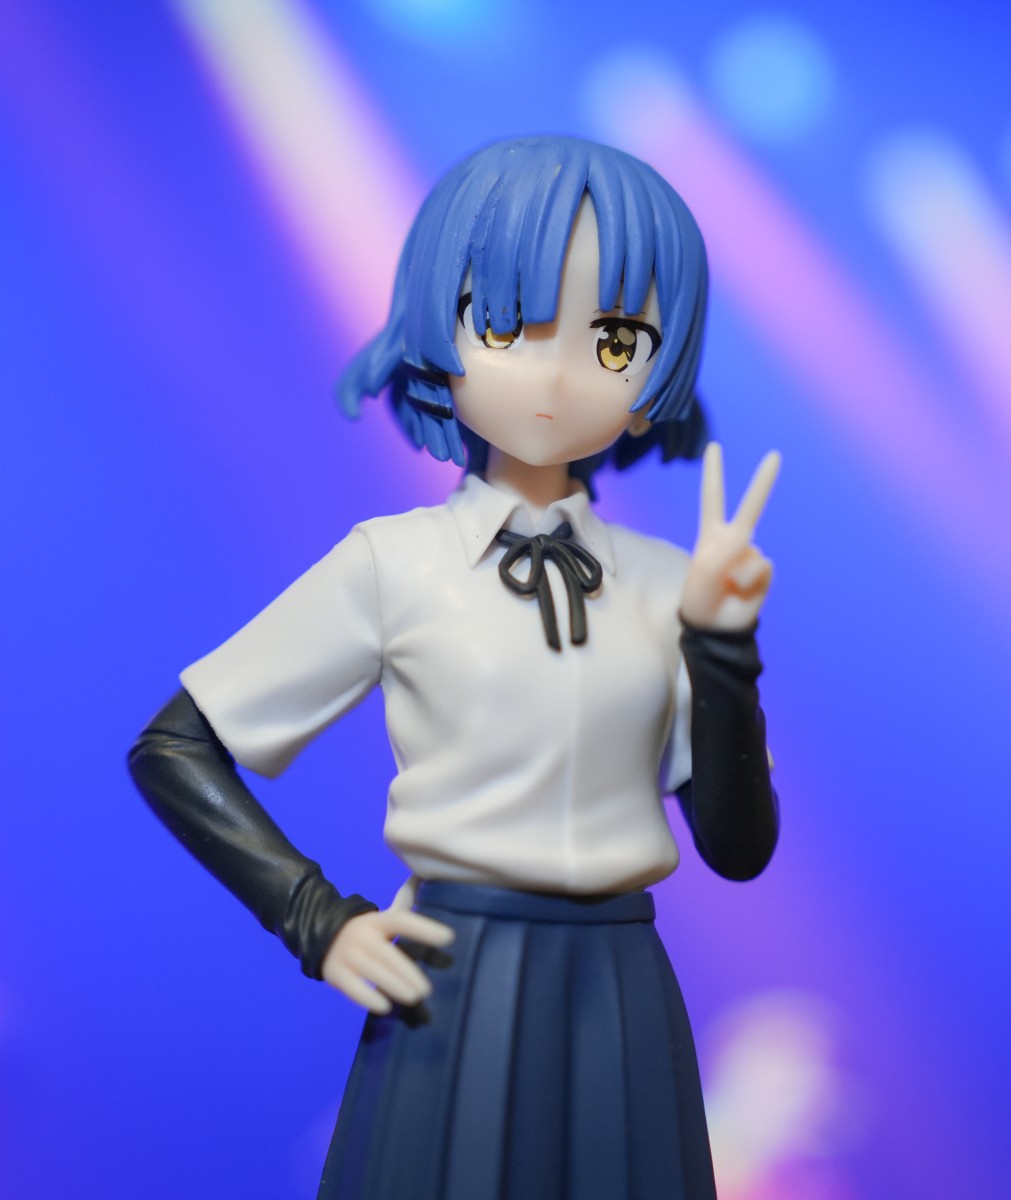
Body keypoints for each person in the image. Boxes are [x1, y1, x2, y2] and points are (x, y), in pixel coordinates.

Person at [129, 135, 779, 1200]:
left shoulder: (671, 583)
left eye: (614, 339)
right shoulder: (396, 562)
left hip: (620, 983)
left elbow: (738, 849)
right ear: (443, 329)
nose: (557, 373)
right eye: (509, 323)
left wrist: (722, 645)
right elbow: (174, 745)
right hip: (454, 969)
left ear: (654, 374)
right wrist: (316, 919)